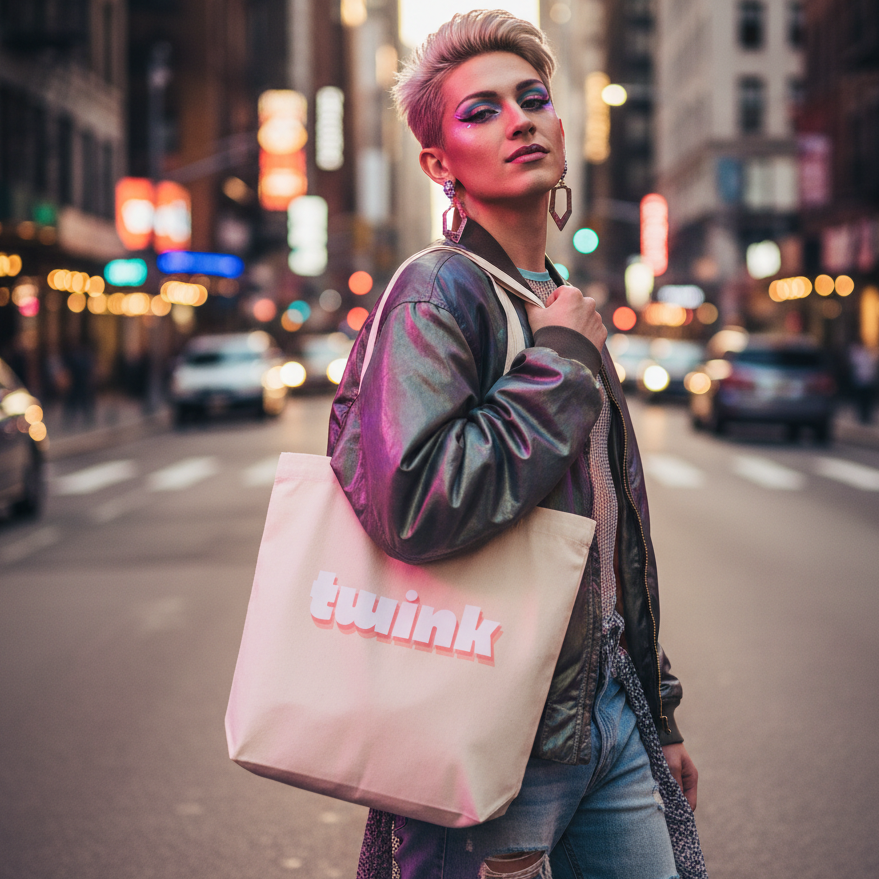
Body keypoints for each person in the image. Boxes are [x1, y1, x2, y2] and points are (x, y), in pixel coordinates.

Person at [328, 11, 705, 879]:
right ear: (437, 163)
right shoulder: (435, 291)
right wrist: (560, 363)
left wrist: (658, 711)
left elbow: (606, 534)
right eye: (481, 111)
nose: (519, 120)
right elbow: (415, 503)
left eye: (532, 99)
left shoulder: (557, 296)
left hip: (606, 713)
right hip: (490, 723)